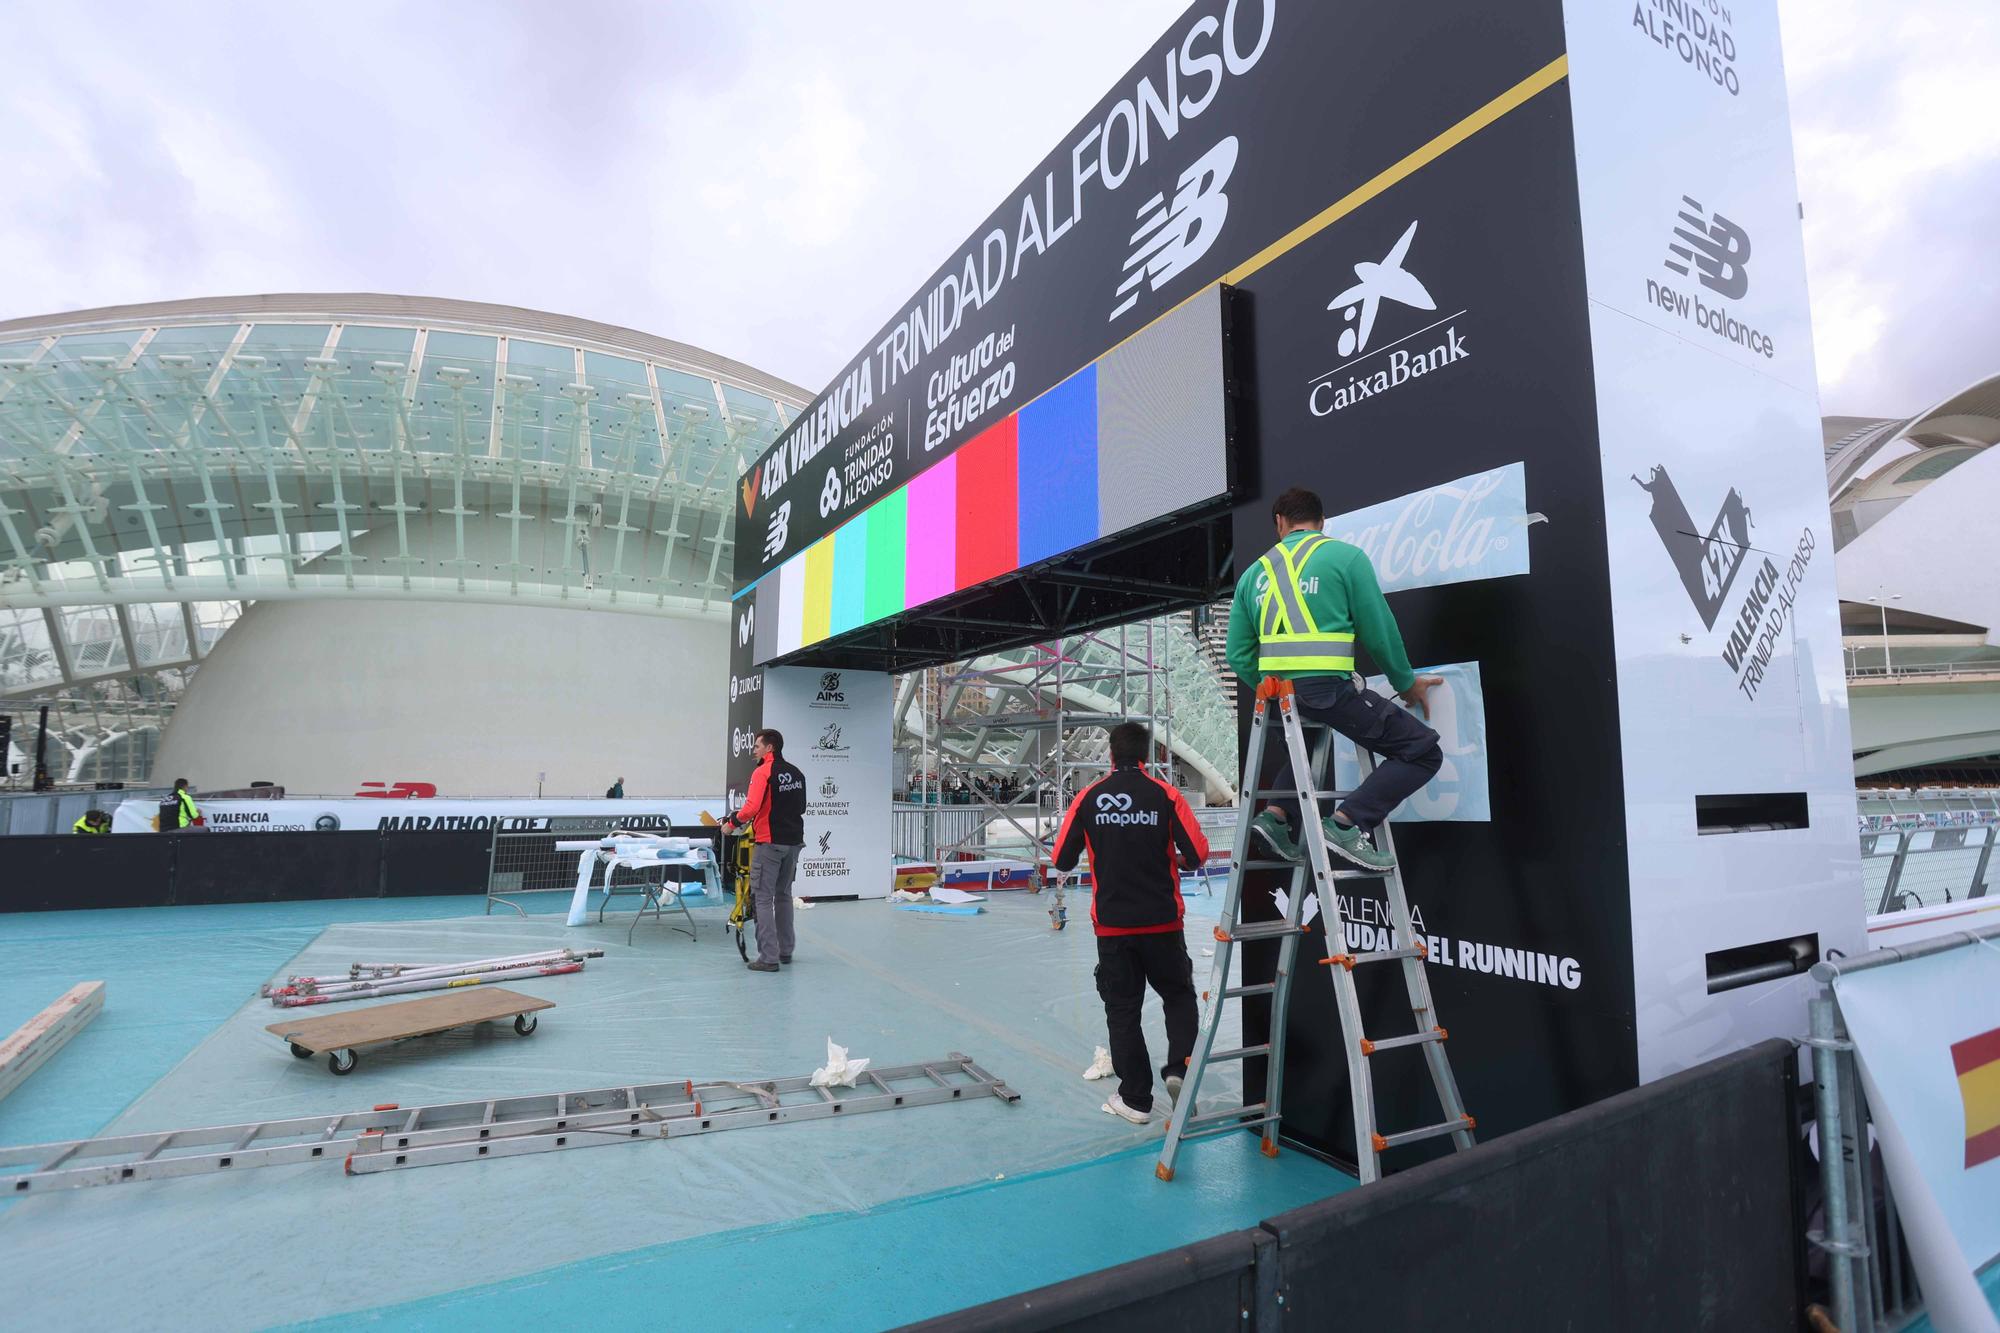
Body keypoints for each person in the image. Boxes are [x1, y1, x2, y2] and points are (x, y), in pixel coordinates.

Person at [1225, 486, 1443, 872]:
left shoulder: (1252, 576)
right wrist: (1406, 683)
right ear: (1321, 522)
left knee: (1305, 747)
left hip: (1281, 696)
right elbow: (1378, 632)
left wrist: (1272, 691)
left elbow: (1237, 655)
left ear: (1280, 523)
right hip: (1328, 689)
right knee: (1423, 751)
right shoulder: (1345, 558)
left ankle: (1275, 816)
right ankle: (1346, 824)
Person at [1052, 721, 1210, 1125]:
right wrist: (1175, 860)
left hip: (1114, 927)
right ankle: (1180, 1070)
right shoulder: (1166, 794)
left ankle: (1136, 1100)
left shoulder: (1088, 798)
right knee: (1178, 996)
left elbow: (1061, 860)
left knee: (1122, 1010)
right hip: (1163, 923)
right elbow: (1197, 853)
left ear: (1110, 755)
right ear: (1148, 756)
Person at [720, 729, 806, 973]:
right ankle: (785, 951)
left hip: (769, 843)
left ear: (770, 748)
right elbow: (801, 806)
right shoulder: (796, 773)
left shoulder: (762, 772)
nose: (754, 750)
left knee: (762, 899)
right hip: (794, 843)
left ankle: (768, 957)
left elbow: (751, 807)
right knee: (784, 896)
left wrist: (731, 824)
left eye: (757, 746)